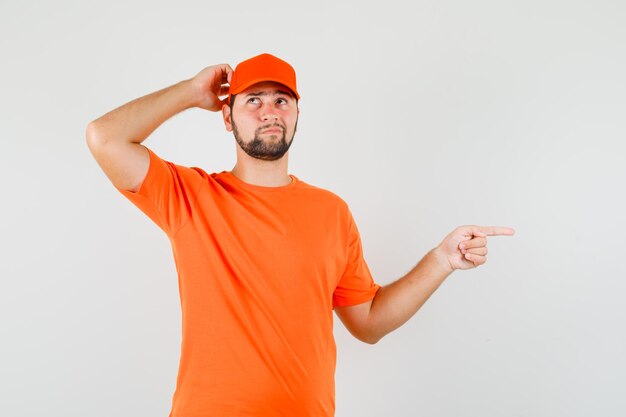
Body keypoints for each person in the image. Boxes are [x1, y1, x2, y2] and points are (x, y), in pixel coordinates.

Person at [86, 52, 515, 417]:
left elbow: (368, 323)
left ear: (296, 114)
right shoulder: (191, 197)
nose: (269, 111)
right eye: (253, 100)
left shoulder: (331, 212)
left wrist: (441, 260)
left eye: (282, 100)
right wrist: (190, 91)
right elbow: (104, 138)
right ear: (227, 117)